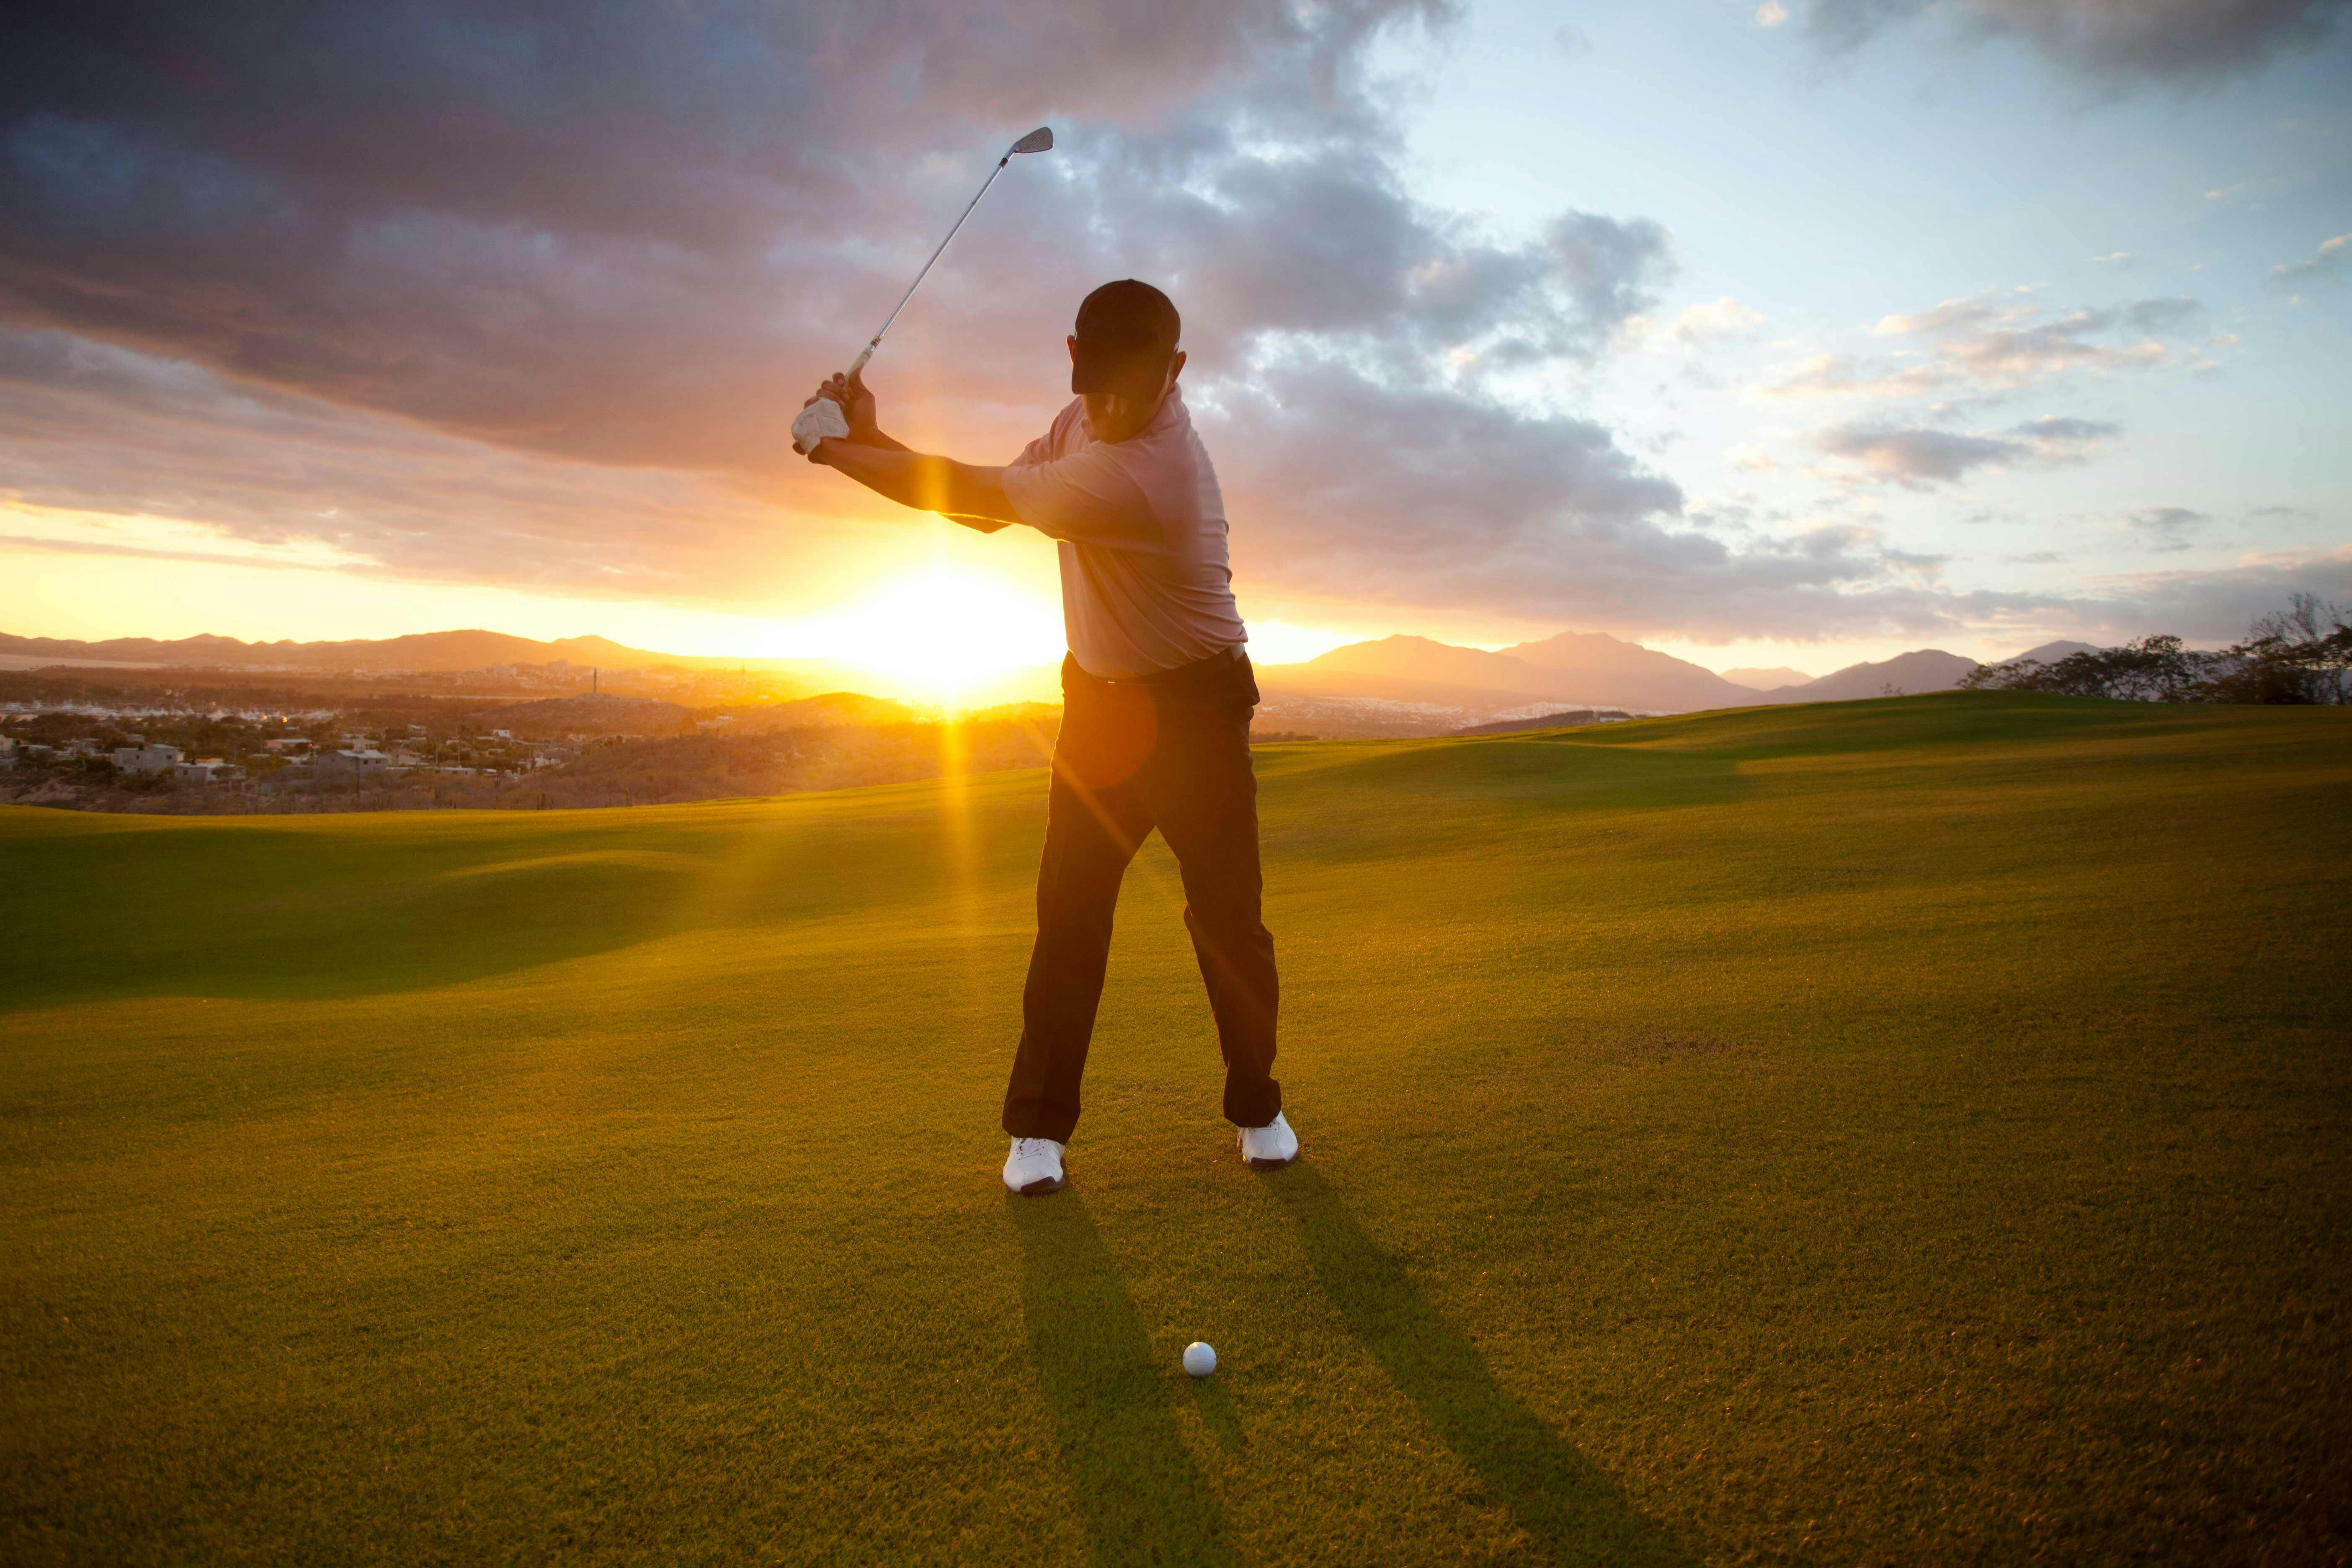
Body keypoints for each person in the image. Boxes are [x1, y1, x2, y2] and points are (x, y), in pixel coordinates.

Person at [798, 279, 1296, 1194]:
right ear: (1072, 358)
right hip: (1101, 711)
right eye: (1094, 384)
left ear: (1176, 373)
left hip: (1197, 712)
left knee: (1228, 923)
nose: (1108, 408)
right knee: (1068, 922)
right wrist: (867, 440)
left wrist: (838, 449)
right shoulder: (1080, 426)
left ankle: (1259, 1107)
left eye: (1130, 391)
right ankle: (1038, 1134)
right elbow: (990, 506)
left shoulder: (1149, 475)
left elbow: (977, 490)